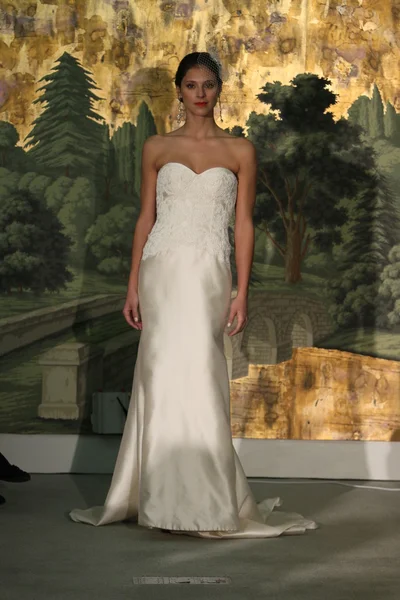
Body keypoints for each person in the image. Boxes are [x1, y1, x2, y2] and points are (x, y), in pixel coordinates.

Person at [69, 52, 317, 538]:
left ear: (219, 89)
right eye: (191, 85)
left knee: (203, 375)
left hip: (208, 273)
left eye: (208, 84)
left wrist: (242, 291)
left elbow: (243, 226)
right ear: (179, 92)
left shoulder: (241, 150)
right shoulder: (156, 147)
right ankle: (158, 498)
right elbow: (146, 219)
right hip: (162, 271)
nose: (200, 93)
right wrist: (132, 283)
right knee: (160, 374)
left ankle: (206, 499)